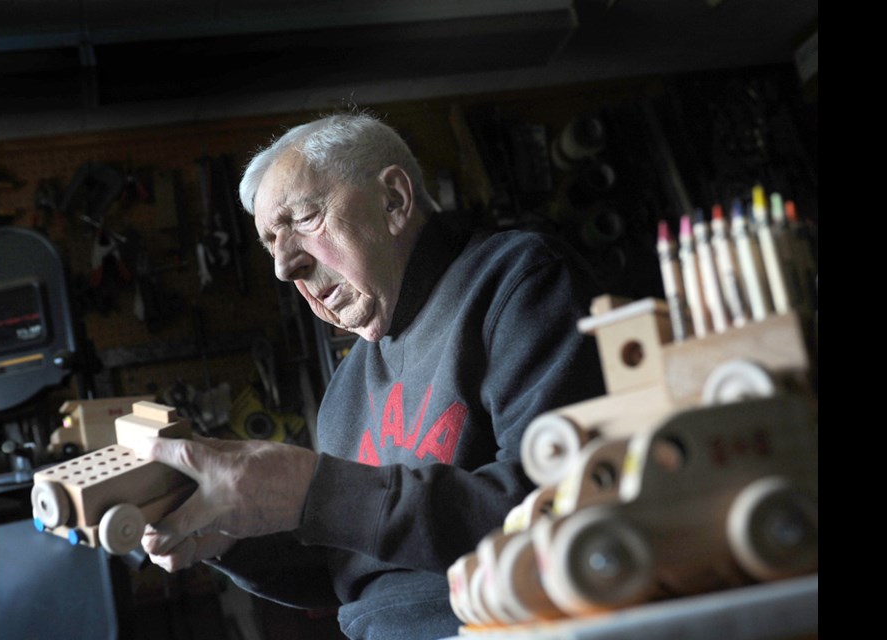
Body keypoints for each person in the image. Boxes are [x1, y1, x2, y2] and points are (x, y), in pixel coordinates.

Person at [136, 112, 606, 640]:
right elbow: (350, 569)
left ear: (394, 202)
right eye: (271, 243)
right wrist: (227, 537)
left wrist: (318, 490)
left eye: (304, 220)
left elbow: (559, 507)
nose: (283, 268)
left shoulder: (515, 284)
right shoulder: (347, 387)